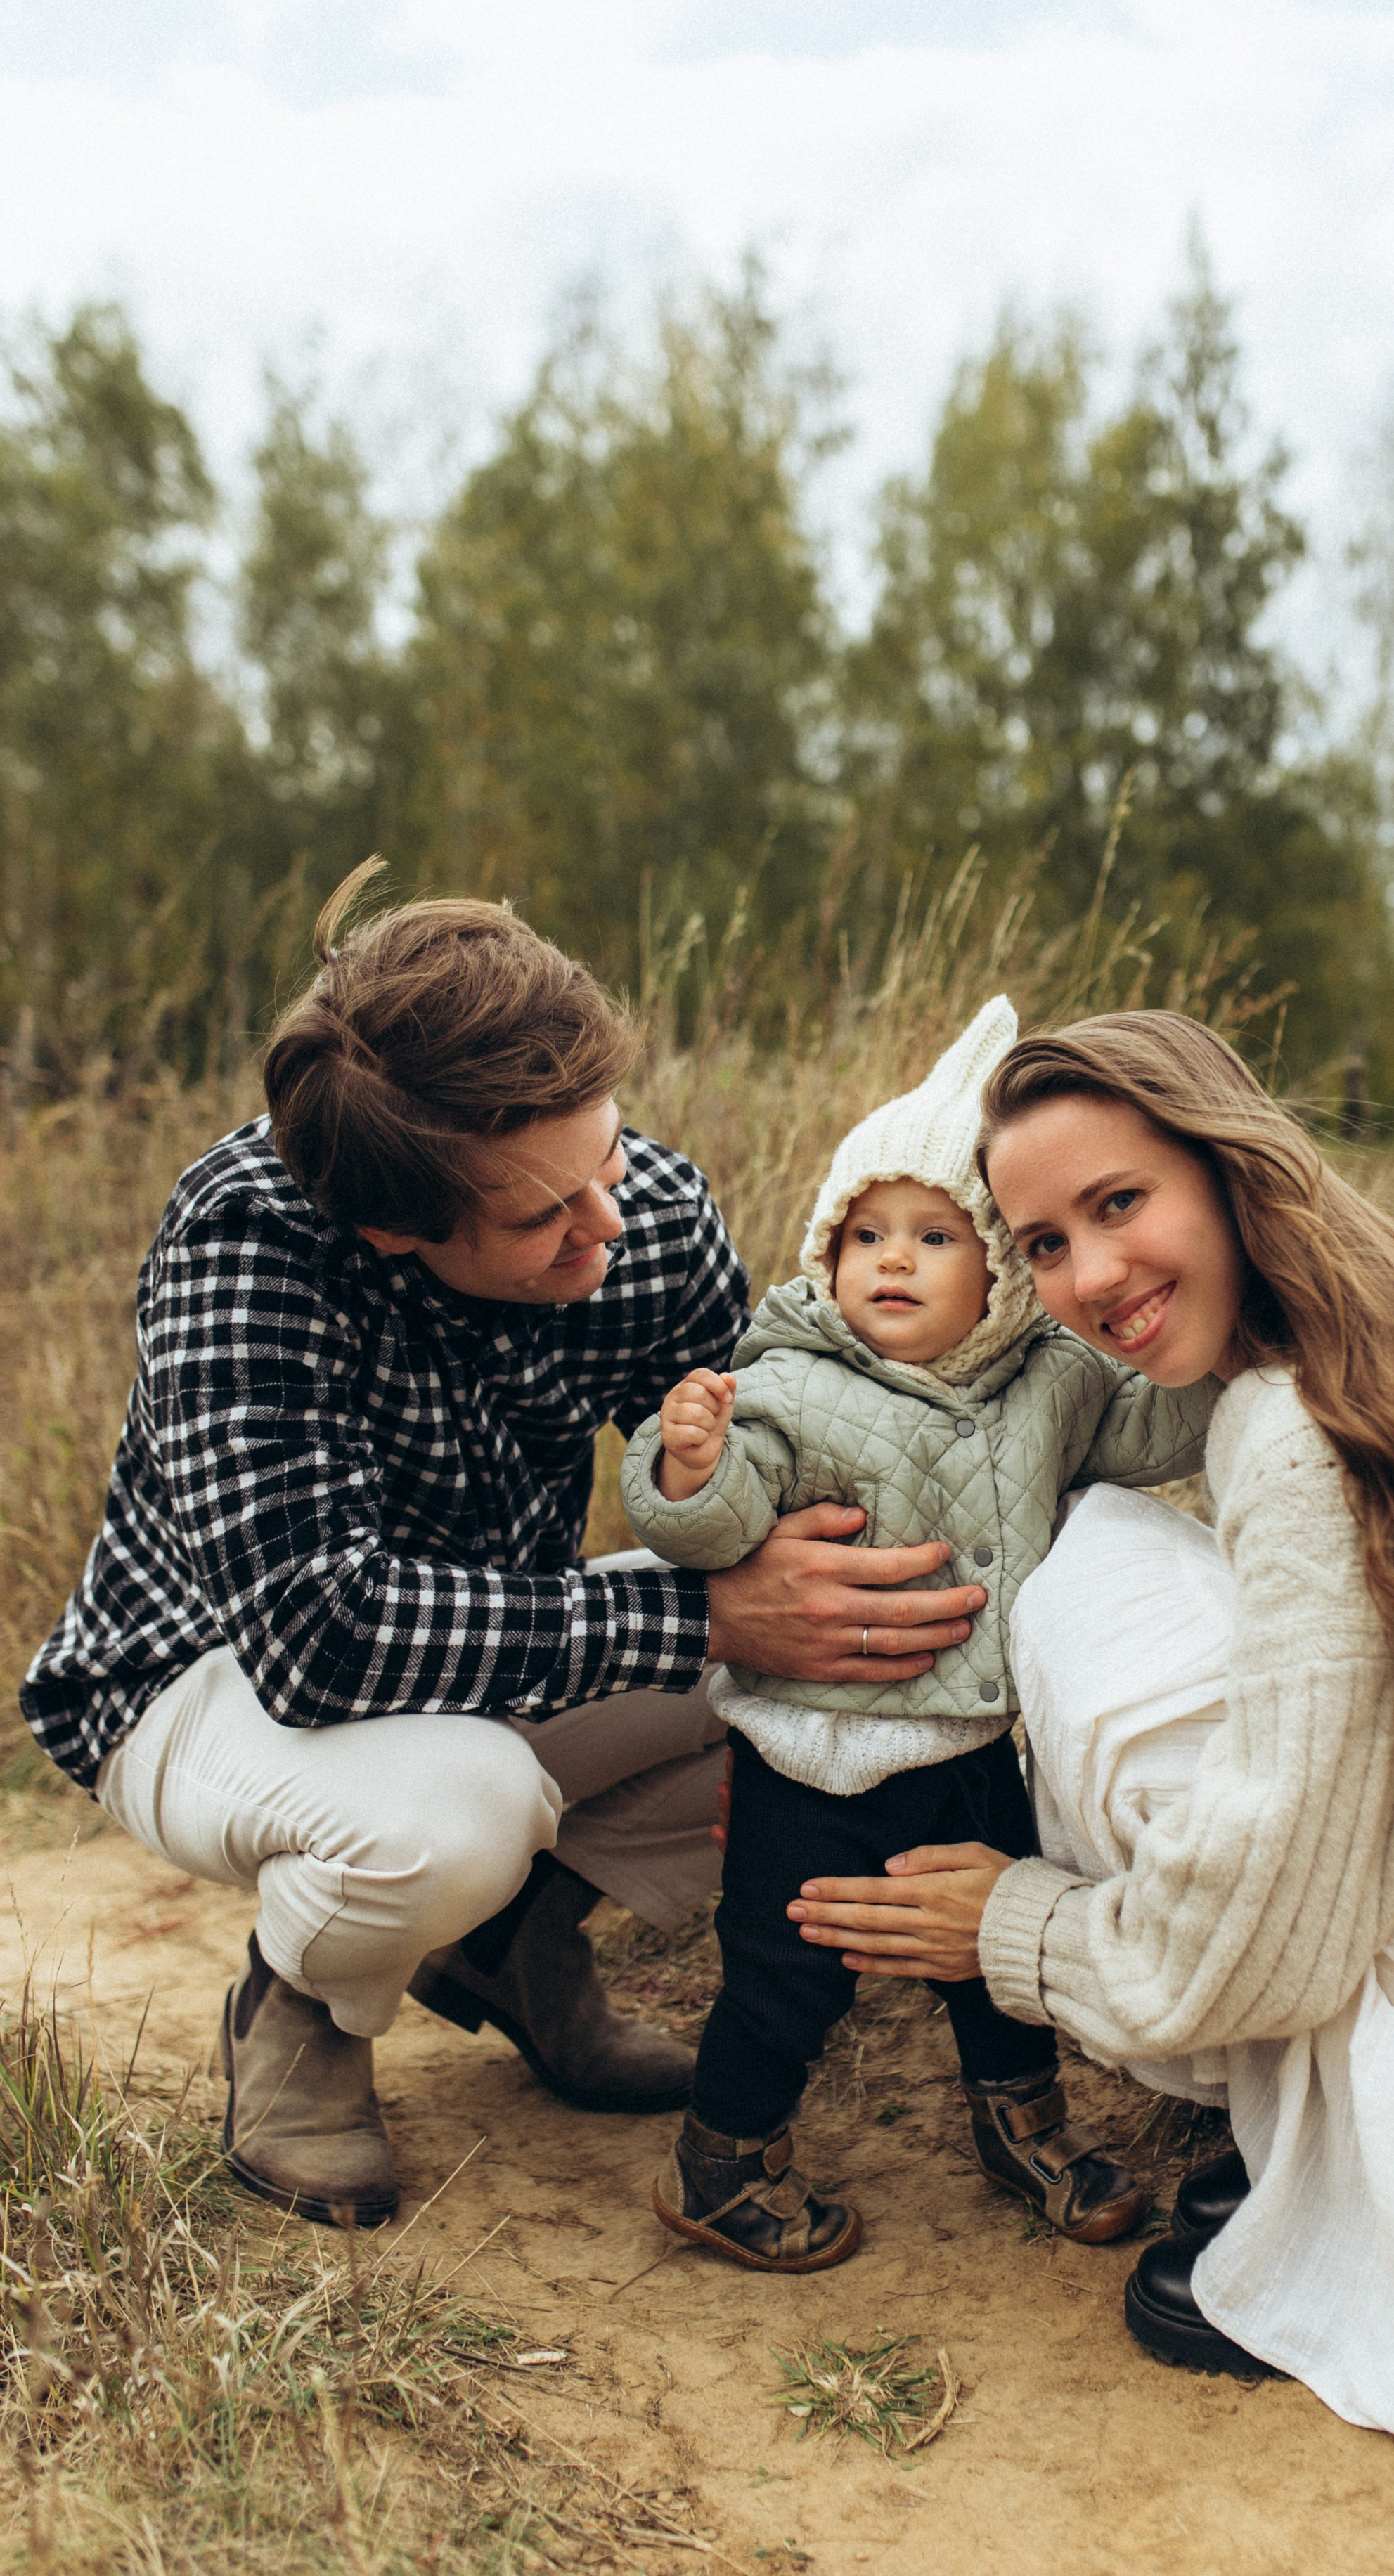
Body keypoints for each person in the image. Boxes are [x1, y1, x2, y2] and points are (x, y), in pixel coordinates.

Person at [784, 1010, 1394, 2451]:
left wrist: (1020, 1929)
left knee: (1092, 1581)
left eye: (1118, 1204)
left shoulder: (1299, 1432)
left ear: (1224, 1168)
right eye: (1043, 1246)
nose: (1089, 1278)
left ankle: (1327, 2166)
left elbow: (1269, 1933)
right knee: (1175, 1595)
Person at [18, 865, 990, 2230]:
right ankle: (303, 2007)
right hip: (198, 1681)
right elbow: (319, 1638)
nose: (609, 1221)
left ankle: (510, 1949)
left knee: (859, 1634)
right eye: (543, 1216)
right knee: (457, 1809)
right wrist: (705, 1619)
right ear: (391, 1231)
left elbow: (768, 1478)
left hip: (485, 1642)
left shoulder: (629, 1203)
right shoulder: (250, 1238)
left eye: (604, 1160)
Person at [618, 1000, 1220, 2271]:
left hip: (963, 1747)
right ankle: (722, 2159)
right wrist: (689, 1467)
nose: (891, 1260)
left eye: (936, 1236)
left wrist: (1237, 1348)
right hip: (807, 1757)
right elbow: (716, 1528)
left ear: (1002, 1271)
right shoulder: (788, 1384)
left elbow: (1158, 1433)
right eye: (864, 1234)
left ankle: (1025, 2127)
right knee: (784, 1973)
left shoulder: (1050, 1382)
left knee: (991, 1949)